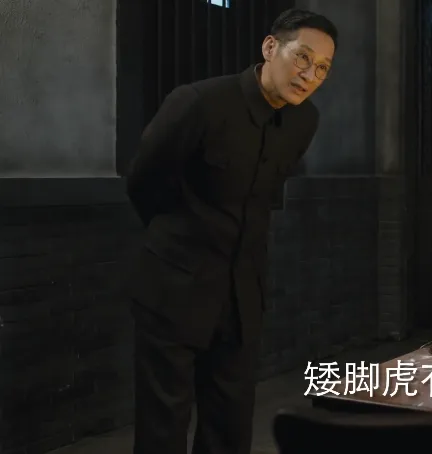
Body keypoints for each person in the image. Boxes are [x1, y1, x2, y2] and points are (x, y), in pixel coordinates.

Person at [124, 9, 336, 454]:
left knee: (231, 425)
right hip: (174, 288)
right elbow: (144, 182)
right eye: (303, 58)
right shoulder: (198, 103)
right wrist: (179, 243)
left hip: (241, 296)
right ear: (270, 47)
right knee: (163, 426)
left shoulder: (304, 120)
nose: (310, 75)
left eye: (322, 68)